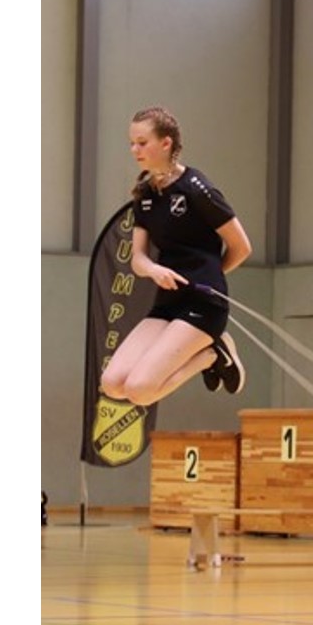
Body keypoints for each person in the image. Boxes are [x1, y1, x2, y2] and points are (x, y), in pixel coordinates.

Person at [100, 106, 252, 406]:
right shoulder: (144, 195)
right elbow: (138, 260)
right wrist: (154, 270)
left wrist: (210, 276)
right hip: (168, 301)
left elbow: (242, 247)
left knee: (141, 390)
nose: (135, 150)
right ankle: (211, 352)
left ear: (165, 143)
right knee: (113, 384)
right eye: (132, 143)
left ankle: (210, 355)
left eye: (142, 143)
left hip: (203, 303)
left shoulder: (197, 189)